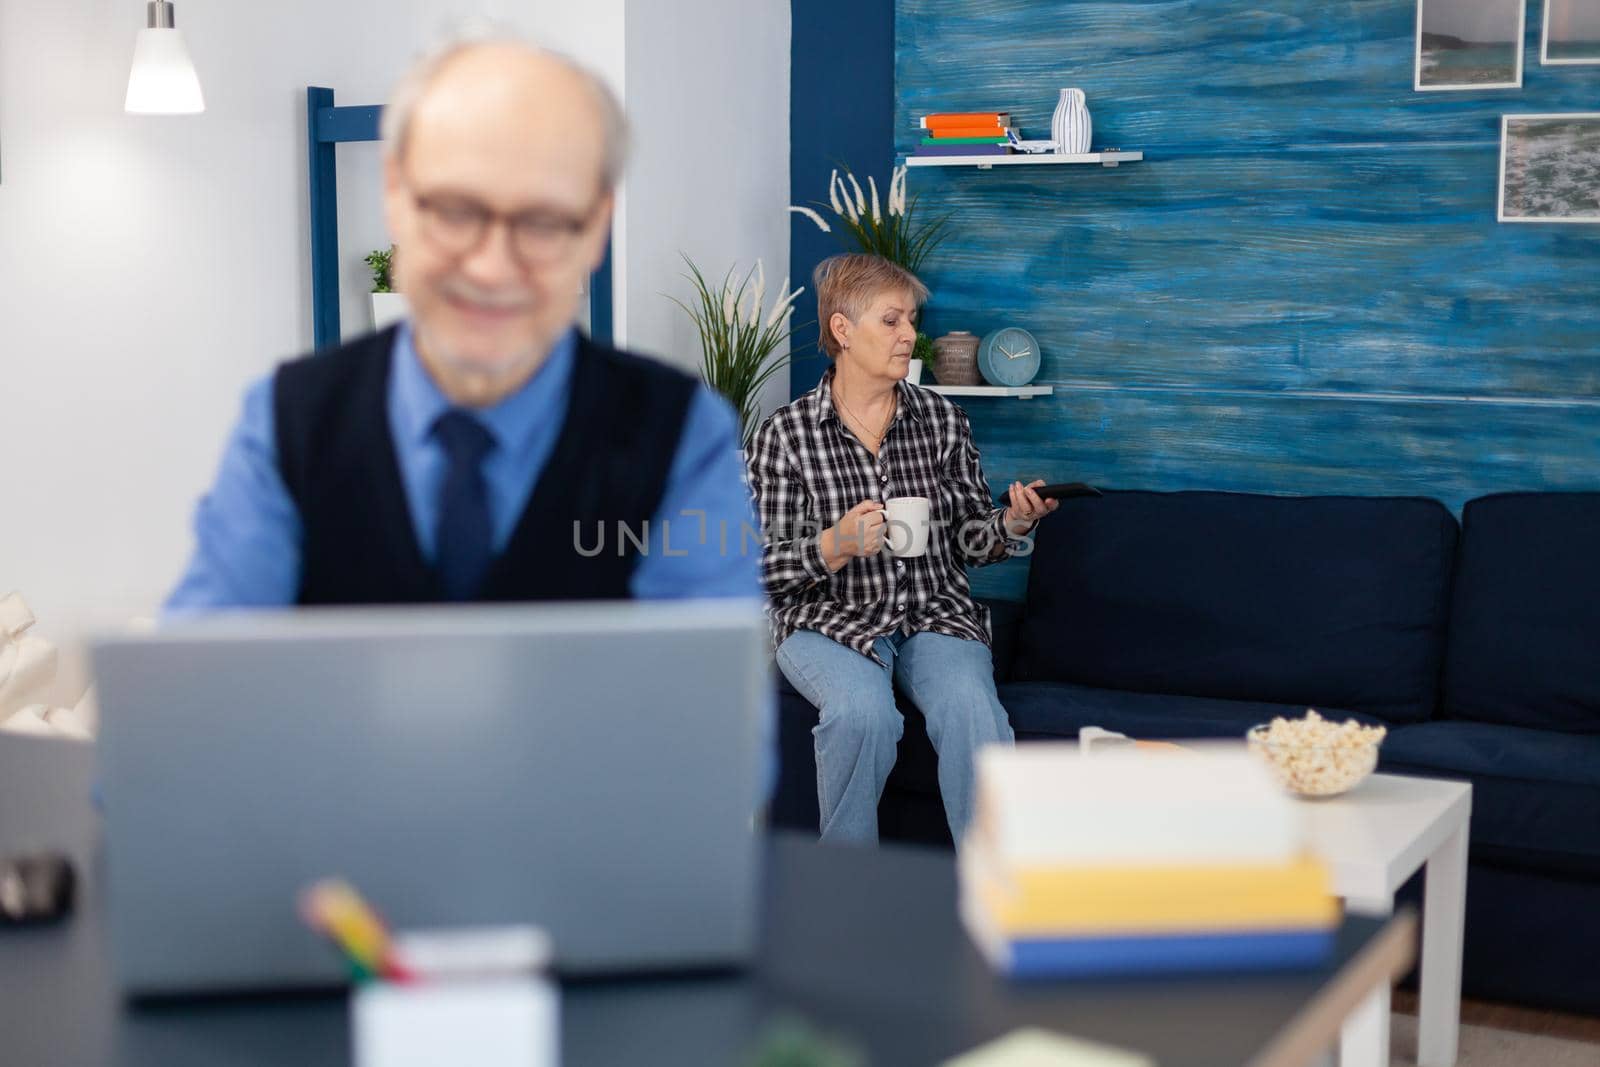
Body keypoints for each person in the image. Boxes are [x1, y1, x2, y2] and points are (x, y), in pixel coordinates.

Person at [166, 36, 758, 611]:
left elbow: (702, 701)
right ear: (396, 196)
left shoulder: (681, 434)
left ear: (597, 226)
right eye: (454, 211)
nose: (492, 268)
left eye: (543, 221)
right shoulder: (285, 423)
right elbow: (202, 689)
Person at [748, 254, 1059, 846]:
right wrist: (832, 546)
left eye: (911, 320)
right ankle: (849, 892)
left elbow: (971, 539)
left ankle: (992, 894)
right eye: (892, 321)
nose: (910, 335)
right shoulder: (784, 435)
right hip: (826, 619)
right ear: (843, 330)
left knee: (975, 714)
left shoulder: (943, 420)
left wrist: (1013, 524)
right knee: (861, 716)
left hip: (934, 611)